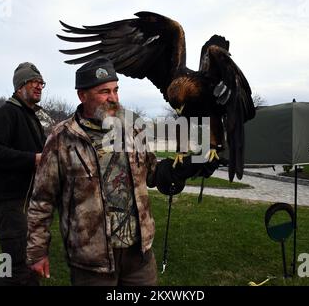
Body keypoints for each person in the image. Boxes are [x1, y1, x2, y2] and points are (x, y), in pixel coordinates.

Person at [26, 57, 218, 286]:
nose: (113, 98)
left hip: (139, 256)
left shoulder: (132, 126)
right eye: (104, 91)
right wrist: (37, 252)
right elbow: (42, 200)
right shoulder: (62, 139)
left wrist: (182, 169)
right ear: (82, 95)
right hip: (91, 261)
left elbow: (150, 170)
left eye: (116, 90)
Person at [0, 62, 47, 286]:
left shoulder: (30, 117)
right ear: (19, 87)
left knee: (22, 262)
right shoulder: (6, 114)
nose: (39, 86)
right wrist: (32, 159)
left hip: (21, 202)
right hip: (5, 202)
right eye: (33, 82)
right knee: (14, 267)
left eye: (41, 83)